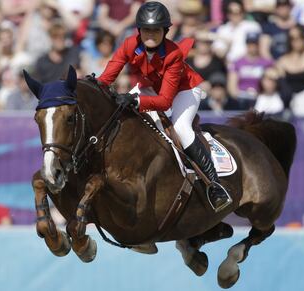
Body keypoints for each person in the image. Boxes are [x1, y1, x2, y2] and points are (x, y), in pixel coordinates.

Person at [97, 1, 231, 211]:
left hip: (185, 90)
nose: (151, 34)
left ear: (165, 31)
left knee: (181, 129)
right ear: (139, 30)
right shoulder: (129, 44)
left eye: (156, 30)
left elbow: (165, 102)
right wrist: (91, 87)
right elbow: (106, 79)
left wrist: (135, 100)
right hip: (152, 87)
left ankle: (214, 186)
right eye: (146, 30)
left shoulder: (173, 54)